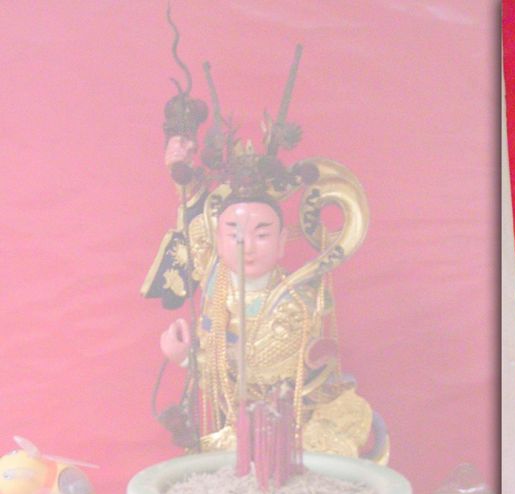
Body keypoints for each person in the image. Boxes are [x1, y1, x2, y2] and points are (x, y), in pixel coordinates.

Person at [144, 50, 387, 464]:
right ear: (218, 239)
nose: (246, 245)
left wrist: (191, 358)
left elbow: (254, 371)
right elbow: (191, 216)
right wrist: (177, 166)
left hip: (288, 421)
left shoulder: (294, 300)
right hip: (231, 422)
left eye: (260, 234)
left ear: (281, 243)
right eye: (233, 233)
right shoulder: (215, 278)